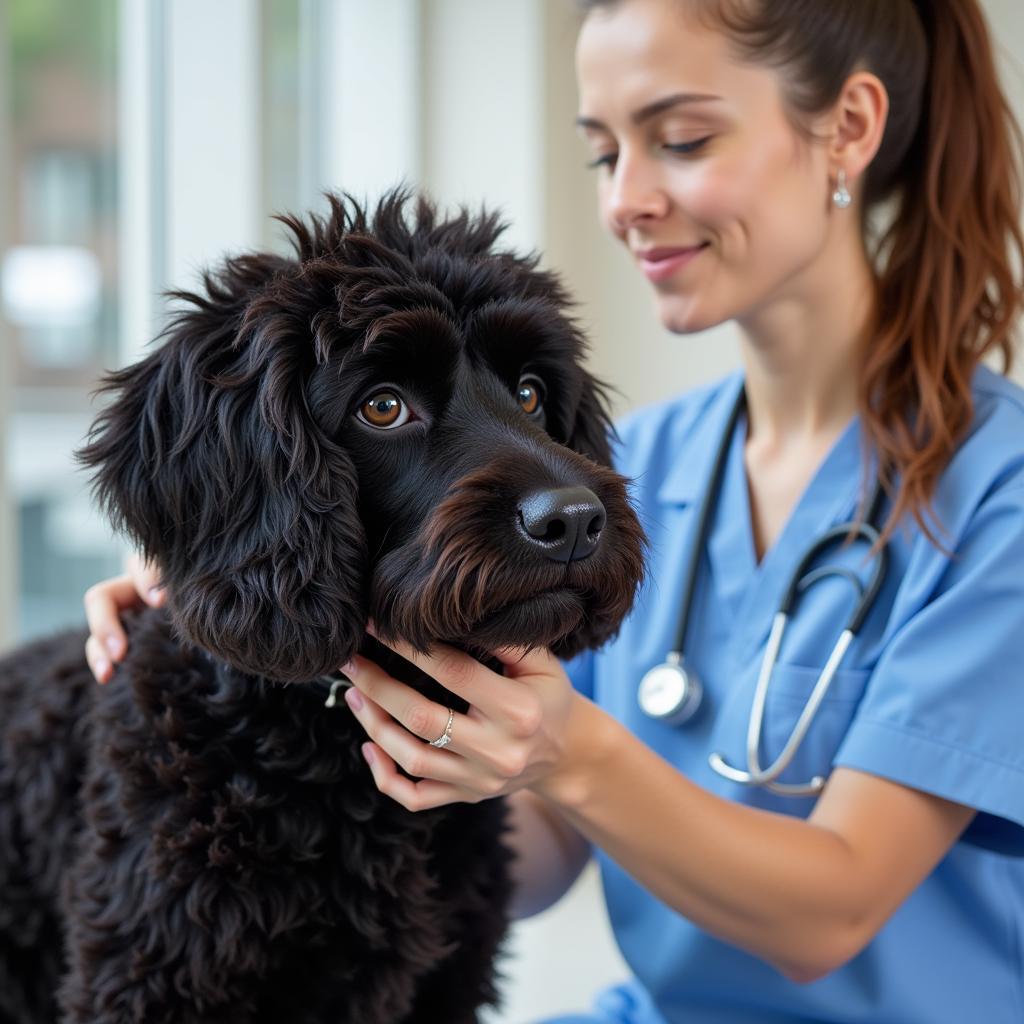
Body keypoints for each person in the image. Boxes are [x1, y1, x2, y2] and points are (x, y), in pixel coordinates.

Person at [83, 0, 1024, 1020]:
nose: (628, 200)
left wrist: (570, 749)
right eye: (603, 154)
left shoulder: (999, 491)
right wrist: (233, 599)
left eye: (681, 139)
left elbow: (831, 911)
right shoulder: (654, 460)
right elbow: (531, 855)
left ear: (846, 126)